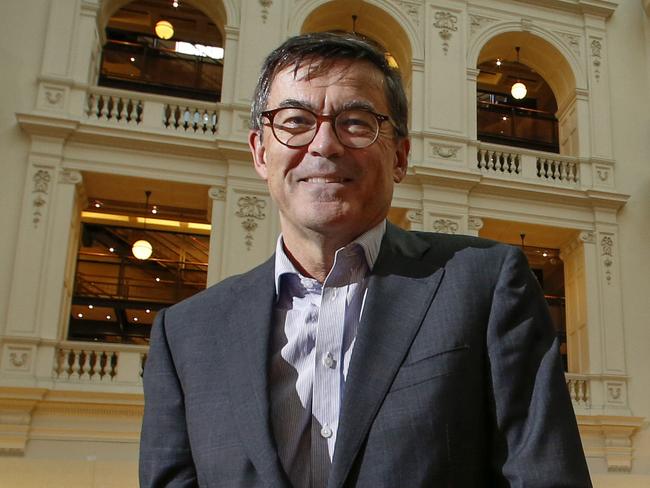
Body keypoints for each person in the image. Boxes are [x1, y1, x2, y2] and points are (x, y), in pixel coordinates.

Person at [140, 32, 592, 487]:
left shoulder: (485, 284)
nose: (324, 145)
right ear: (260, 152)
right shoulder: (185, 335)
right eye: (295, 121)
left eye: (355, 122)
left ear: (399, 155)